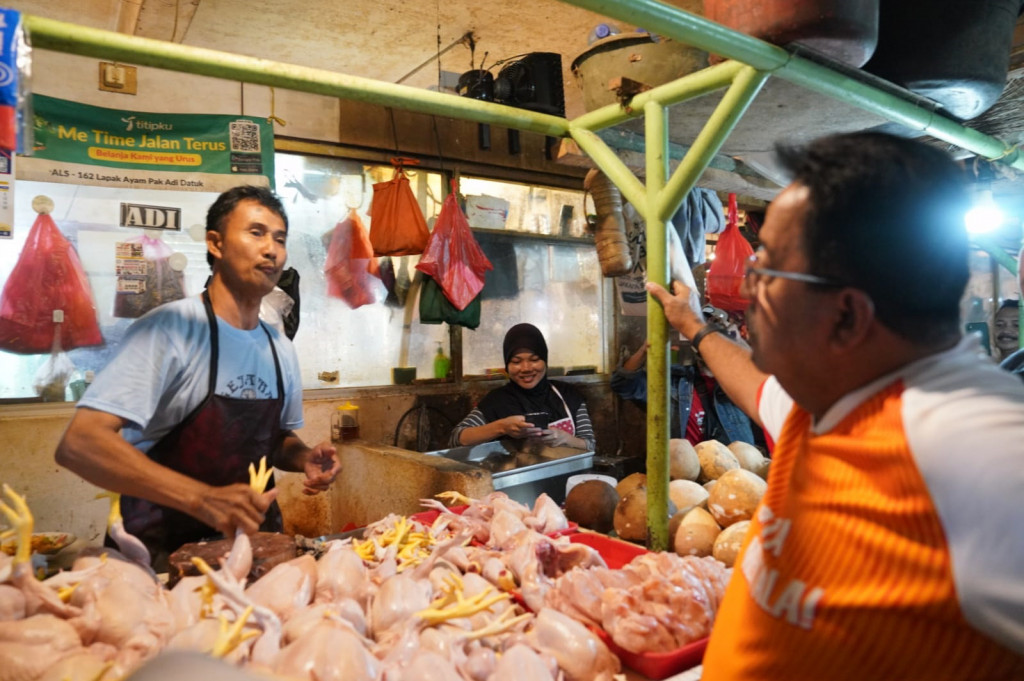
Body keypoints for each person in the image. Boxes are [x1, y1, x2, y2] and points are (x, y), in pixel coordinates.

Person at [646, 132, 1024, 680]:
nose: (749, 291)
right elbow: (754, 386)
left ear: (846, 316)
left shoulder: (975, 447)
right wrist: (696, 328)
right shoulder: (833, 394)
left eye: (765, 270)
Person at [55, 185, 341, 570]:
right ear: (216, 243)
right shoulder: (171, 329)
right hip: (156, 556)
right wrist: (202, 498)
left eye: (280, 238)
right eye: (256, 232)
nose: (271, 249)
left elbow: (273, 441)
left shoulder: (278, 345)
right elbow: (81, 444)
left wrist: (304, 457)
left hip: (252, 552)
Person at [448, 323, 596, 451]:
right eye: (516, 361)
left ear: (545, 360)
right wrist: (502, 427)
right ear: (507, 365)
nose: (526, 368)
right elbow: (456, 438)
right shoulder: (497, 401)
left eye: (534, 359)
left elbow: (590, 445)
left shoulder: (568, 395)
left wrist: (565, 439)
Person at [610, 339, 760, 447]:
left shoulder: (741, 385)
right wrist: (643, 351)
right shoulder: (674, 383)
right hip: (684, 477)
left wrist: (741, 345)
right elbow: (622, 384)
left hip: (735, 477)